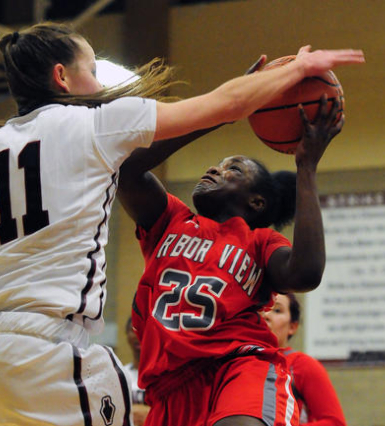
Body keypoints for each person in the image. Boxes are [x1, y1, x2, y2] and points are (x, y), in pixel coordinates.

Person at [0, 19, 363, 426]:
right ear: (62, 77)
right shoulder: (94, 124)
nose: (98, 80)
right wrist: (298, 67)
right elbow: (223, 105)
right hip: (47, 352)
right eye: (92, 67)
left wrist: (14, 215)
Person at [116, 52, 363, 424]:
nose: (215, 168)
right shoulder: (168, 220)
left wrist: (306, 167)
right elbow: (128, 170)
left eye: (233, 168)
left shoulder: (259, 241)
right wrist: (221, 111)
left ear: (256, 200)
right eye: (216, 164)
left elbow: (306, 274)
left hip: (238, 367)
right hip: (168, 391)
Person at [261, 293, 346, 426]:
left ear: (292, 327)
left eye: (277, 310)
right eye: (261, 308)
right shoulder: (236, 361)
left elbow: (335, 422)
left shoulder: (303, 365)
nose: (266, 315)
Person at [121, 318, 149, 425]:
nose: (138, 334)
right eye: (133, 330)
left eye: (144, 329)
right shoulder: (121, 374)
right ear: (127, 335)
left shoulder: (164, 375)